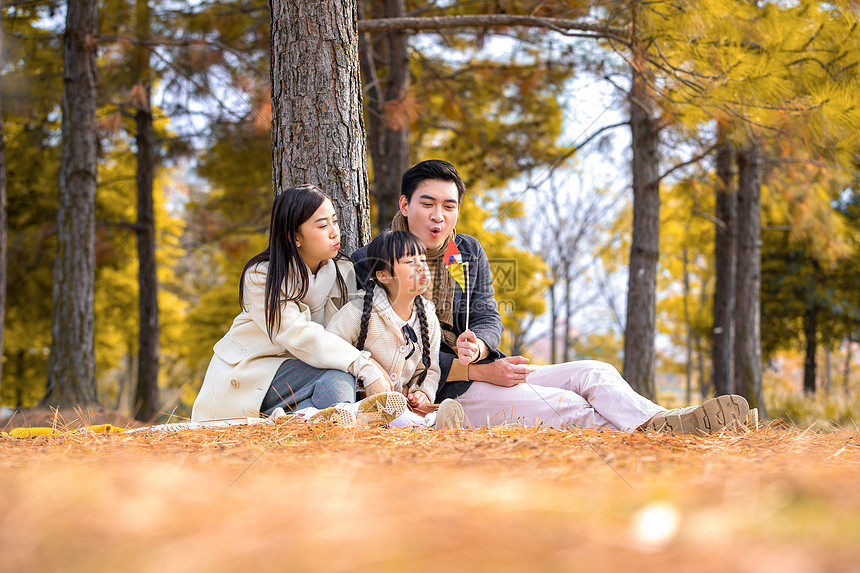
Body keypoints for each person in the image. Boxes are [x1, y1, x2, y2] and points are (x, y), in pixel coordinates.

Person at [352, 160, 751, 434]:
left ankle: (672, 422)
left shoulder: (467, 251)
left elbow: (488, 312)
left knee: (595, 371)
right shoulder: (376, 262)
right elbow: (388, 345)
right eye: (428, 203)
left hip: (488, 368)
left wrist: (481, 345)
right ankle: (679, 431)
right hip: (440, 393)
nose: (439, 215)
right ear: (405, 205)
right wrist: (473, 371)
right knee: (569, 406)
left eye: (449, 206)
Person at [191, 184, 407, 426]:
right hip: (257, 375)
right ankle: (356, 429)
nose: (335, 232)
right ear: (295, 237)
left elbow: (353, 329)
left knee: (333, 391)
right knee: (340, 376)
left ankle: (319, 422)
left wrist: (377, 365)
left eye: (334, 221)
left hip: (307, 380)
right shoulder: (261, 276)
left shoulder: (342, 272)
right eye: (323, 225)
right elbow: (299, 335)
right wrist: (363, 365)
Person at [325, 230, 465, 429]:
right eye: (410, 263)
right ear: (383, 275)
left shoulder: (428, 318)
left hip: (400, 403)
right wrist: (368, 363)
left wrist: (422, 392)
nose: (421, 268)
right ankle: (429, 425)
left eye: (423, 260)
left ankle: (431, 420)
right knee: (379, 415)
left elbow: (430, 368)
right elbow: (330, 345)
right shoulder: (359, 311)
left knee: (414, 410)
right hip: (358, 399)